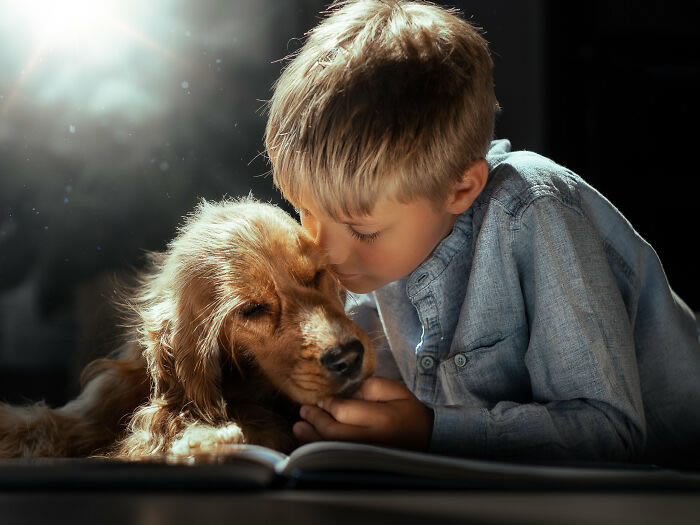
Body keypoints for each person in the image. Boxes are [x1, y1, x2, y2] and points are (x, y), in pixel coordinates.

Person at [264, 0, 700, 465]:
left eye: (363, 230)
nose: (323, 250)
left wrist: (430, 433)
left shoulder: (533, 211)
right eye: (305, 212)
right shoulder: (371, 261)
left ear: (460, 188)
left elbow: (610, 433)